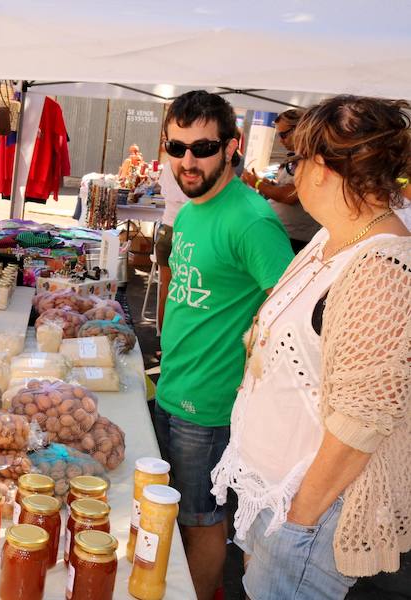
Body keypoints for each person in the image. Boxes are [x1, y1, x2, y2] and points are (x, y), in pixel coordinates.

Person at [211, 95, 410, 600]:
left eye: (295, 160)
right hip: (275, 500)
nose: (292, 172)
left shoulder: (383, 268)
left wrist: (297, 523)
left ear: (321, 167)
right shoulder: (330, 238)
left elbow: (360, 425)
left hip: (309, 518)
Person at [153, 91, 294, 600]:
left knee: (200, 520)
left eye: (204, 147)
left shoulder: (251, 219)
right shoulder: (193, 208)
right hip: (172, 387)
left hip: (209, 407)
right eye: (177, 147)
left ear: (231, 147)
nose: (188, 161)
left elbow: (291, 313)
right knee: (171, 512)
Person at [241, 109, 321, 253]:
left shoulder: (312, 160)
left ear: (300, 129)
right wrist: (267, 184)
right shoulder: (297, 158)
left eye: (283, 135)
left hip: (294, 238)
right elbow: (286, 188)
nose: (280, 140)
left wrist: (257, 184)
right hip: (283, 233)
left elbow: (289, 195)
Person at [154, 161, 190, 332]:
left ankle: (163, 340)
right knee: (185, 292)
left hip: (166, 230)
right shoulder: (196, 165)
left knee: (166, 289)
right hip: (185, 233)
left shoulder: (169, 165)